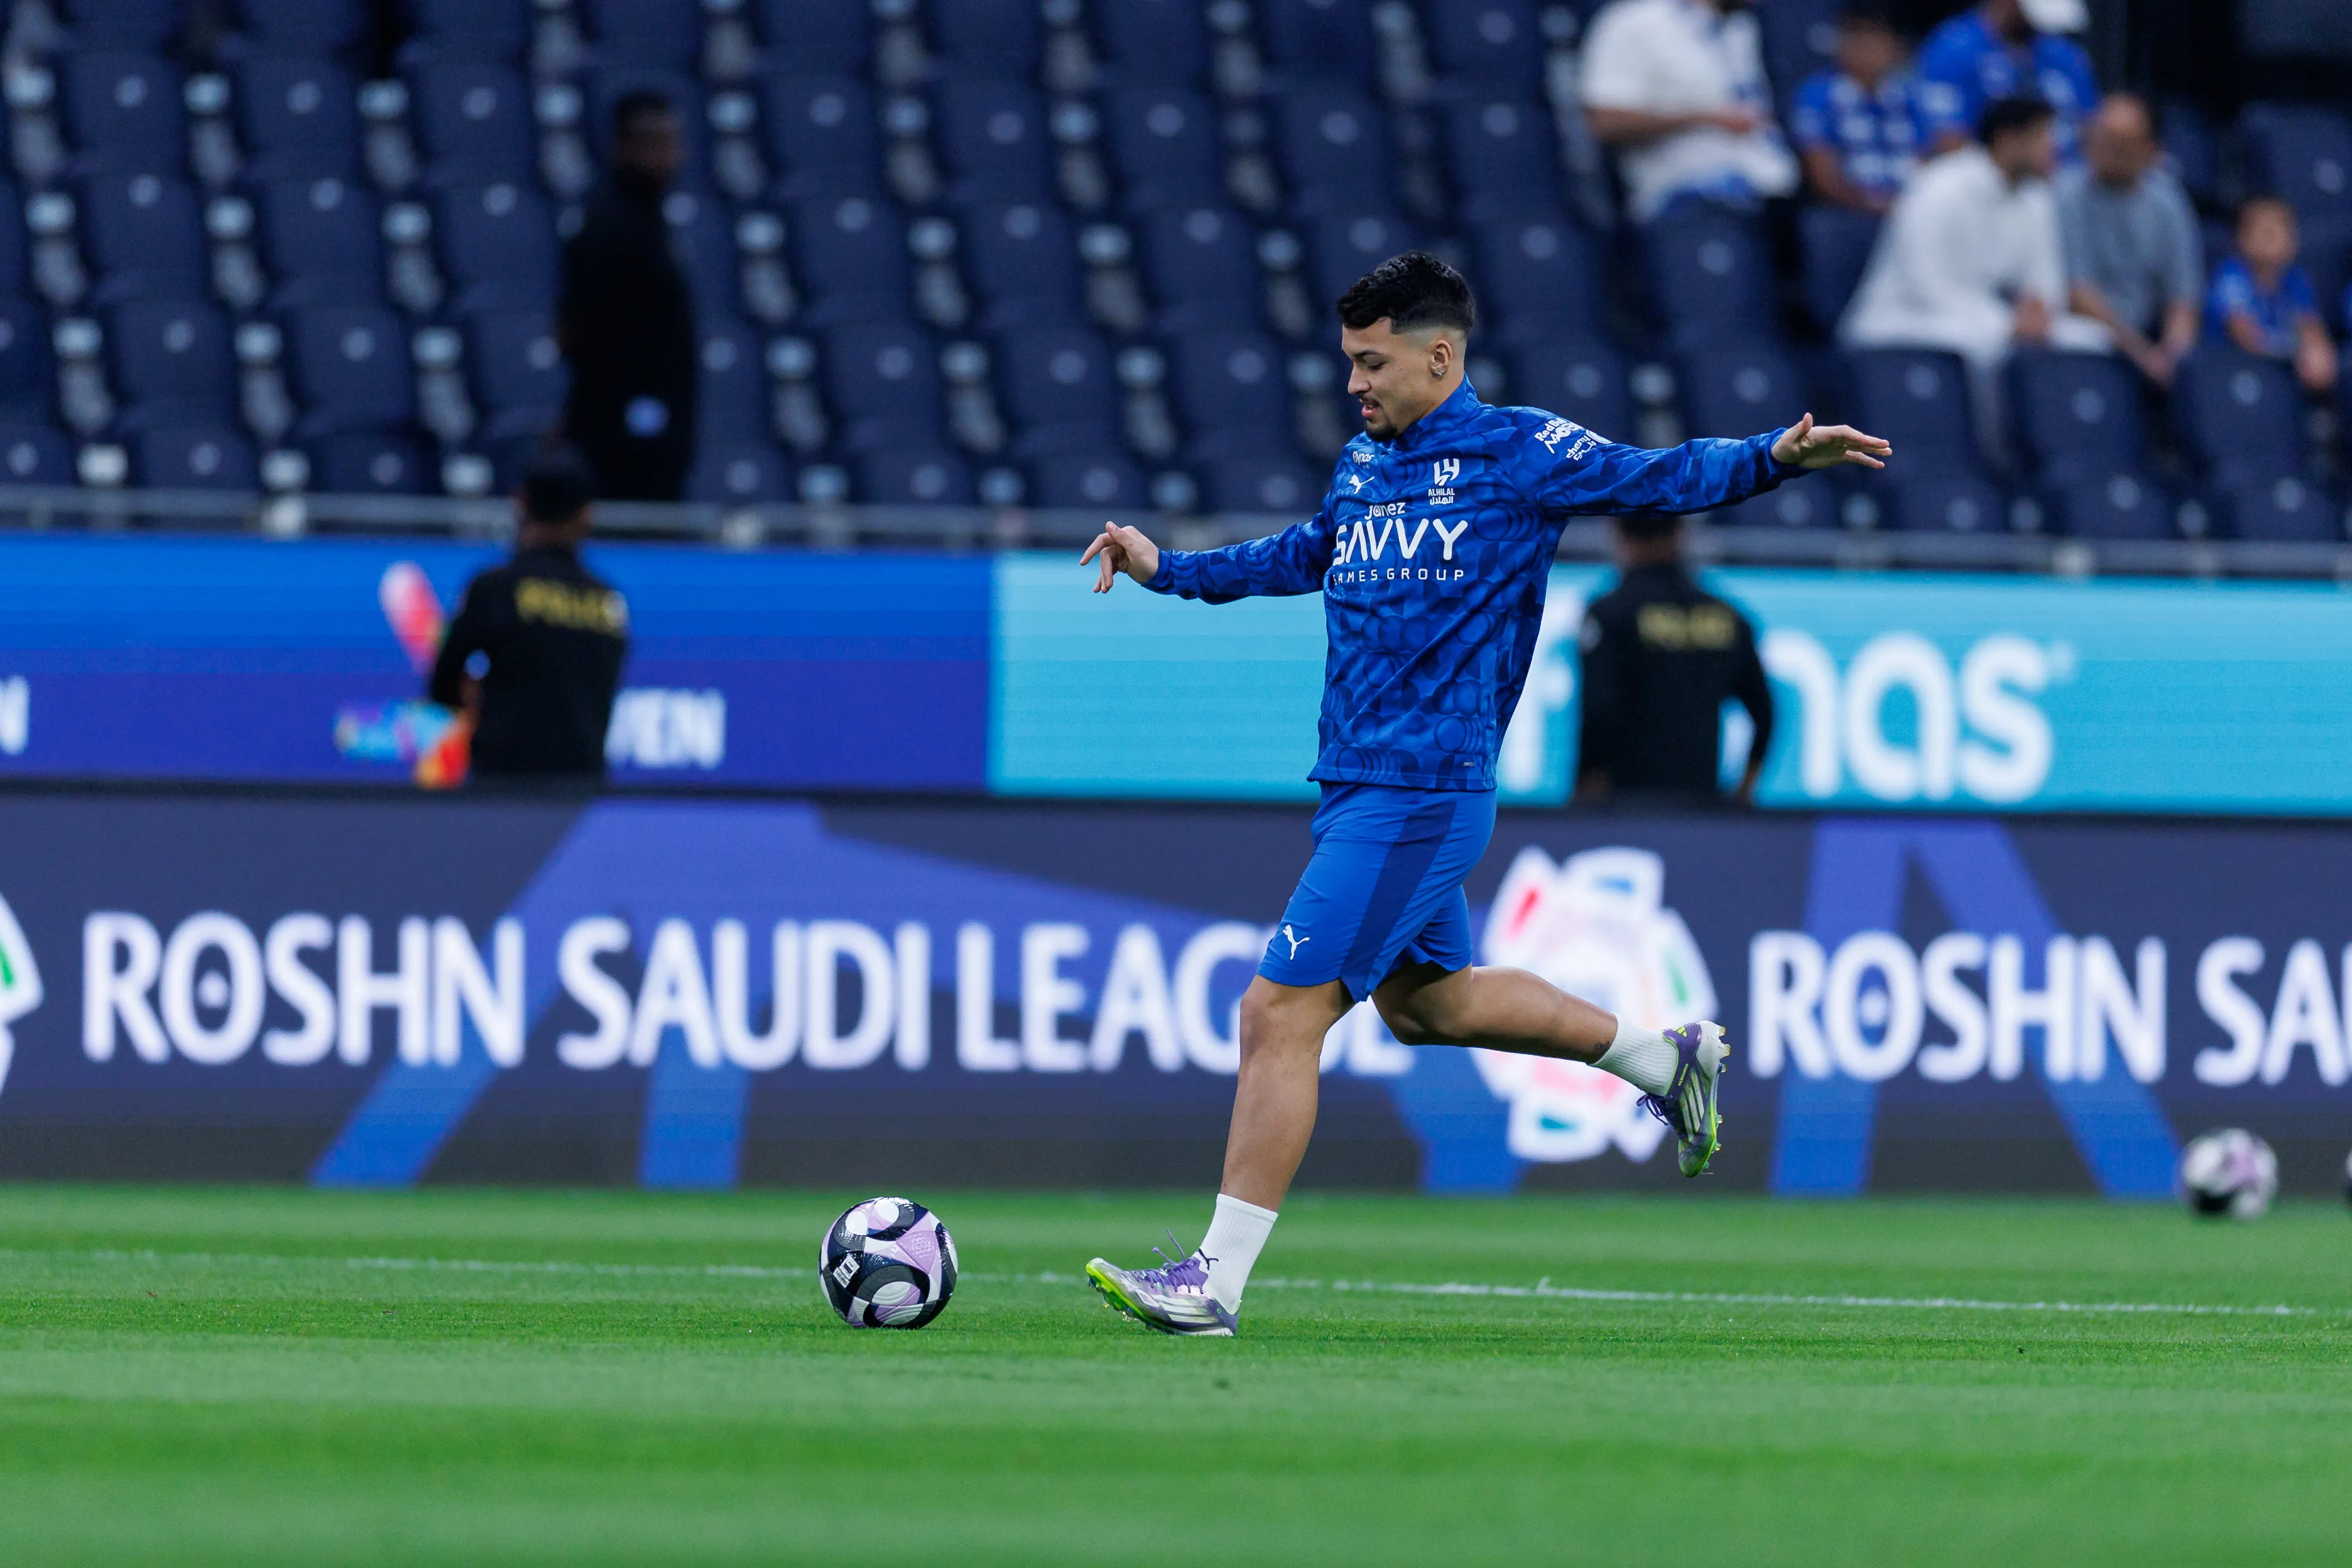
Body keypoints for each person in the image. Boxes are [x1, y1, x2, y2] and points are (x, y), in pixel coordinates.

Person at [1075, 253, 1890, 1337]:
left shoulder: (1520, 452)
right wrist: (1166, 567)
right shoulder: (1365, 464)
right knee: (1429, 1005)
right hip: (1358, 783)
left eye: (1370, 363)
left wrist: (1774, 456)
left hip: (1421, 790)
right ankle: (1661, 1058)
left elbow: (1657, 474)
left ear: (1439, 355)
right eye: (1349, 363)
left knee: (1276, 1012)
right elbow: (1302, 555)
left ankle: (1212, 1282)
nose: (1353, 385)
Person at [1844, 95, 2108, 457]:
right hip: (1905, 321)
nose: (2054, 149)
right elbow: (1926, 286)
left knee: (2093, 342)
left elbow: (2044, 286)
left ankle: (2070, 457)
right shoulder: (1939, 186)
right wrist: (2006, 324)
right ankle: (1987, 459)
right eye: (2044, 137)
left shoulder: (2037, 199)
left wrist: (2038, 311)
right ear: (2009, 140)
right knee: (1984, 350)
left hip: (1984, 320)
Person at [428, 445, 630, 782]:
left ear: (520, 502)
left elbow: (442, 683)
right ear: (585, 515)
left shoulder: (495, 589)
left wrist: (480, 696)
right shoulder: (607, 602)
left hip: (504, 791)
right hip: (580, 795)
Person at [1574, 513, 1774, 808]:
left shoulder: (1609, 615)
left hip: (1624, 807)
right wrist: (1744, 791)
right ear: (1682, 531)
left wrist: (1585, 787)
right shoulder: (1726, 617)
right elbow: (1765, 713)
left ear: (1617, 531)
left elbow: (1599, 708)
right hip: (1700, 808)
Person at [557, 91, 697, 501]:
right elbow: (573, 326)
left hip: (662, 429)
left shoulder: (657, 221)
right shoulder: (606, 224)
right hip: (617, 434)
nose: (666, 155)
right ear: (623, 146)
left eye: (671, 141)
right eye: (651, 142)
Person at [1579, 0, 1799, 224]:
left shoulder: (1741, 26)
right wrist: (1703, 118)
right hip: (1686, 199)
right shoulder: (1634, 22)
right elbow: (1605, 122)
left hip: (1772, 190)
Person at [2057, 94, 2202, 387]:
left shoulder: (2168, 200)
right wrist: (2142, 355)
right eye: (2101, 138)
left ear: (2150, 150)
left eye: (2120, 143)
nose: (2106, 150)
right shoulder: (2066, 193)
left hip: (2147, 338)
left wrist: (2174, 354)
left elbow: (2183, 300)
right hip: (2086, 341)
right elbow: (2079, 295)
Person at [1915, 0, 2099, 163]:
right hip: (1984, 182)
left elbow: (2089, 127)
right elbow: (1947, 140)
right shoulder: (1954, 48)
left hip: (2068, 184)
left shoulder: (2066, 57)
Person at [1790, 6, 1926, 214]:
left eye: (1876, 38)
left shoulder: (1911, 95)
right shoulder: (1817, 95)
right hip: (1847, 213)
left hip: (1909, 211)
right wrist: (1874, 206)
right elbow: (1821, 175)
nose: (1867, 49)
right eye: (1858, 37)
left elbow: (1929, 158)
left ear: (1894, 48)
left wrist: (1908, 205)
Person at [2206, 196, 2339, 396]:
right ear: (2242, 237)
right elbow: (2244, 335)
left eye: (2280, 230)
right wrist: (2295, 354)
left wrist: (2319, 354)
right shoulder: (2232, 276)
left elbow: (2311, 328)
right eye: (2263, 231)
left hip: (2282, 368)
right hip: (2233, 370)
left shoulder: (2296, 279)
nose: (2271, 238)